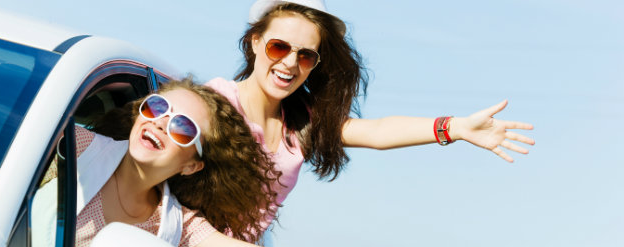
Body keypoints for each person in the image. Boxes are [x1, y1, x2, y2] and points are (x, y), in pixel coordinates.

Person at [0, 79, 337, 247]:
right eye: (156, 108)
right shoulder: (72, 147)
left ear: (191, 165)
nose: (160, 123)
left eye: (181, 127)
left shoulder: (176, 225)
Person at [204, 0, 537, 233]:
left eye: (305, 56)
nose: (290, 63)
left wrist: (456, 127)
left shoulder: (301, 124)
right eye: (279, 47)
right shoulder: (213, 104)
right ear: (255, 41)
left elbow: (377, 132)